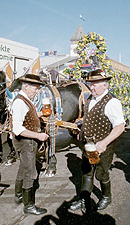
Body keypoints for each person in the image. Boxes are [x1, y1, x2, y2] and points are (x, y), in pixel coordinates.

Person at [70, 69, 125, 211]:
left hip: (103, 146)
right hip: (87, 145)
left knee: (101, 173)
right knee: (86, 172)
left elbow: (120, 126)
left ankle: (106, 196)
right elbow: (89, 118)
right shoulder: (90, 99)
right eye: (90, 84)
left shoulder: (112, 102)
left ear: (105, 85)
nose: (91, 87)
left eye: (94, 84)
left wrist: (104, 143)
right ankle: (84, 199)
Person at [12, 73, 49, 215]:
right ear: (26, 86)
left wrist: (39, 114)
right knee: (30, 173)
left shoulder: (25, 99)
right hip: (26, 142)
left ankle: (19, 196)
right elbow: (18, 128)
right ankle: (29, 206)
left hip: (28, 142)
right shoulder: (20, 102)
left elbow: (27, 116)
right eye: (36, 88)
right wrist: (39, 136)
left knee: (23, 169)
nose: (37, 91)